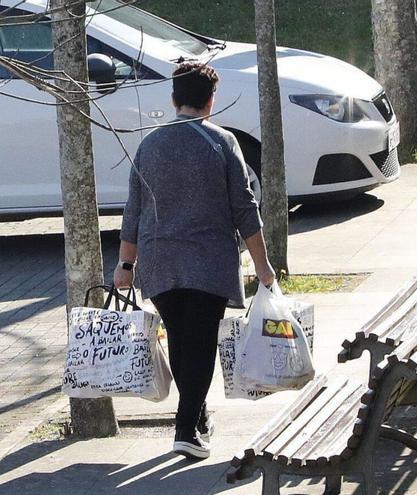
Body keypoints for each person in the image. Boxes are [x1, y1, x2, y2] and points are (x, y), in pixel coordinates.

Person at [114, 62, 276, 459]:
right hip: (207, 260)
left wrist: (125, 265)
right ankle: (185, 430)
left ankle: (197, 416)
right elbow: (244, 208)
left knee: (183, 342)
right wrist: (263, 264)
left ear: (174, 99)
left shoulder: (150, 144)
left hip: (159, 261)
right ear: (211, 101)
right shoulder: (222, 143)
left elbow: (133, 209)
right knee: (200, 345)